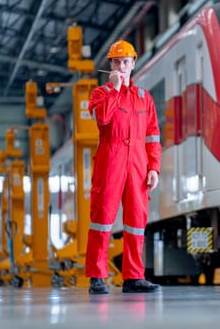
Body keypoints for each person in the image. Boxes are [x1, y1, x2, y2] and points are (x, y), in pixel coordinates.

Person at [85, 40, 162, 294]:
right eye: (117, 61)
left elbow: (153, 135)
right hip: (111, 162)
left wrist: (153, 168)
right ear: (110, 65)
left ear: (133, 63)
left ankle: (133, 277)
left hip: (138, 165)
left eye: (126, 61)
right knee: (102, 219)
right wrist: (116, 91)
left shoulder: (144, 98)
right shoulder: (100, 94)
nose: (121, 66)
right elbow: (102, 119)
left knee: (137, 221)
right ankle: (97, 276)